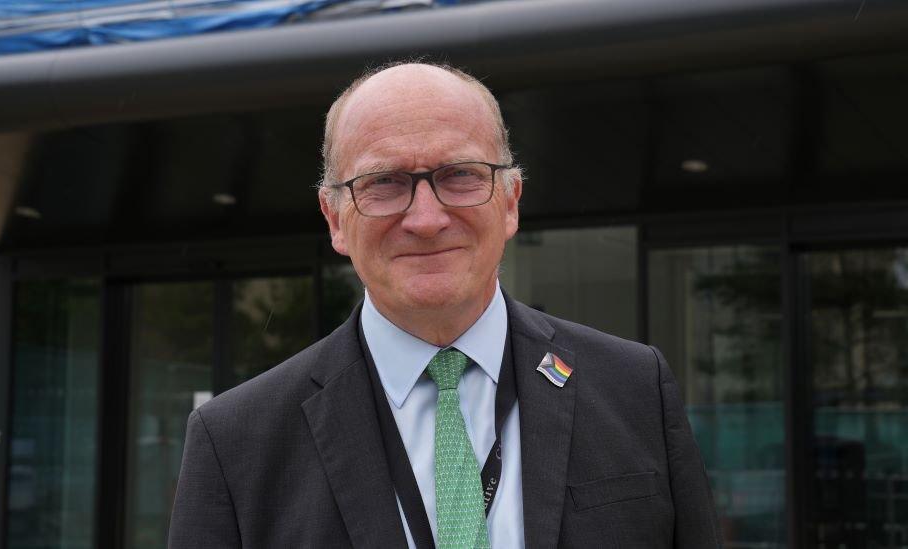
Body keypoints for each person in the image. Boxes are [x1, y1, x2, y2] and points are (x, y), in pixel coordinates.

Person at [168, 61, 722, 548]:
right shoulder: (235, 441)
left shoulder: (634, 389)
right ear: (335, 218)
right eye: (384, 182)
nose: (427, 219)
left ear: (510, 201)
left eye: (460, 175)